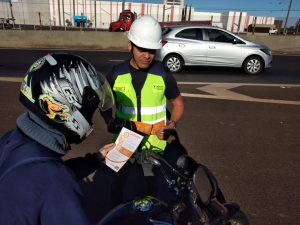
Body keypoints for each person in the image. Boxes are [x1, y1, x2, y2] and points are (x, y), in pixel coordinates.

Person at [0, 53, 116, 225]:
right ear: (67, 103)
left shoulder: (11, 140)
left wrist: (94, 160)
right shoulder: (56, 182)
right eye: (90, 110)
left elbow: (37, 177)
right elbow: (51, 178)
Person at [101, 15, 186, 209]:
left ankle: (150, 212)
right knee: (118, 179)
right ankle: (115, 212)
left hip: (153, 143)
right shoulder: (116, 73)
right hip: (124, 138)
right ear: (130, 45)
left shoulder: (163, 73)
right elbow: (104, 102)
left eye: (151, 50)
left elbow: (179, 104)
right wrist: (109, 121)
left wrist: (171, 125)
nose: (147, 55)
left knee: (151, 182)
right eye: (142, 49)